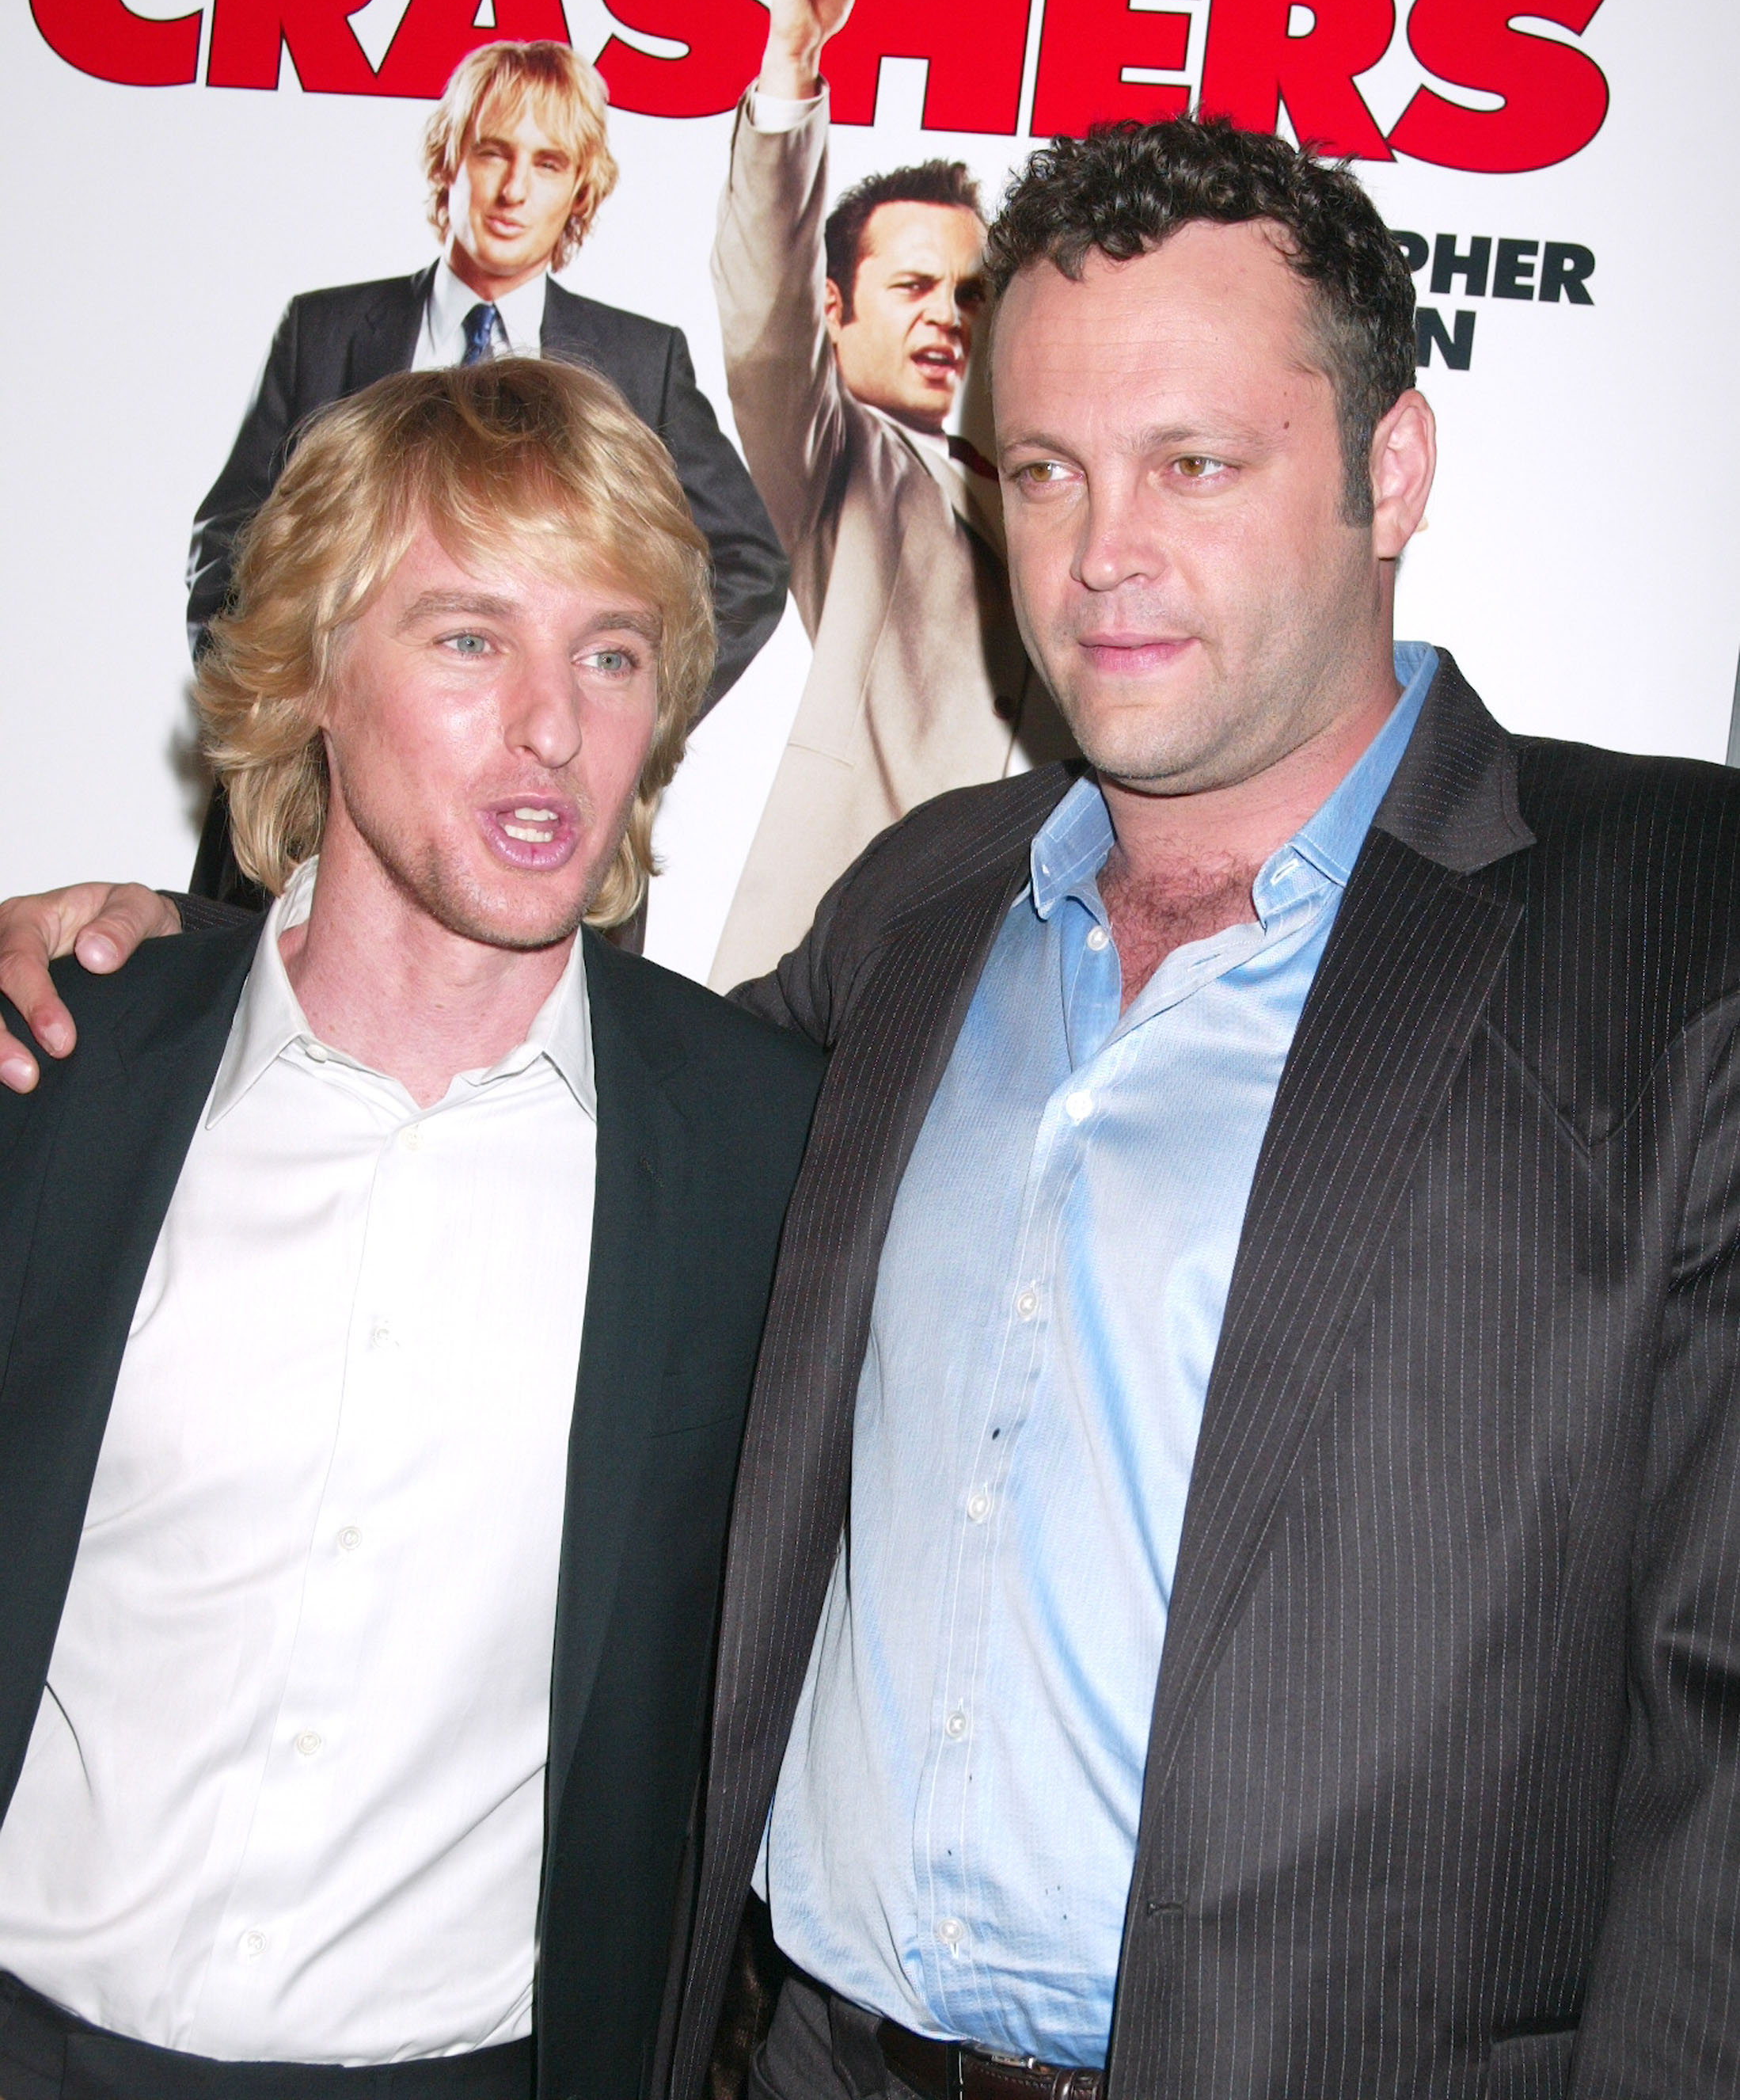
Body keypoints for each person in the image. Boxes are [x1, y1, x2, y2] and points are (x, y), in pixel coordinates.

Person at [9, 118, 1740, 2098]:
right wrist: (162, 953)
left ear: (1391, 468)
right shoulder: (921, 909)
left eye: (1197, 463)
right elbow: (522, 1040)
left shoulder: (1668, 925)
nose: (1104, 552)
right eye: (1045, 471)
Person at [0, 358, 820, 2100]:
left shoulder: (768, 1152)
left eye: (610, 653)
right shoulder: (63, 1066)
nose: (552, 726)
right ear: (309, 676)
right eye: (468, 639)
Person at [187, 37, 788, 907]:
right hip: (298, 839)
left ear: (580, 187)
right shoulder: (327, 329)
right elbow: (227, 551)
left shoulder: (639, 360)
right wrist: (288, 715)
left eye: (545, 163)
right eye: (492, 152)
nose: (512, 190)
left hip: (540, 846)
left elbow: (749, 561)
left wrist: (626, 701)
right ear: (449, 160)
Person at [705, 0, 1067, 991]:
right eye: (908, 286)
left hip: (1032, 971)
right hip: (840, 966)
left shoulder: (1046, 482)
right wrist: (790, 73)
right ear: (838, 309)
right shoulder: (848, 467)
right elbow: (763, 329)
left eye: (970, 290)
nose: (945, 316)